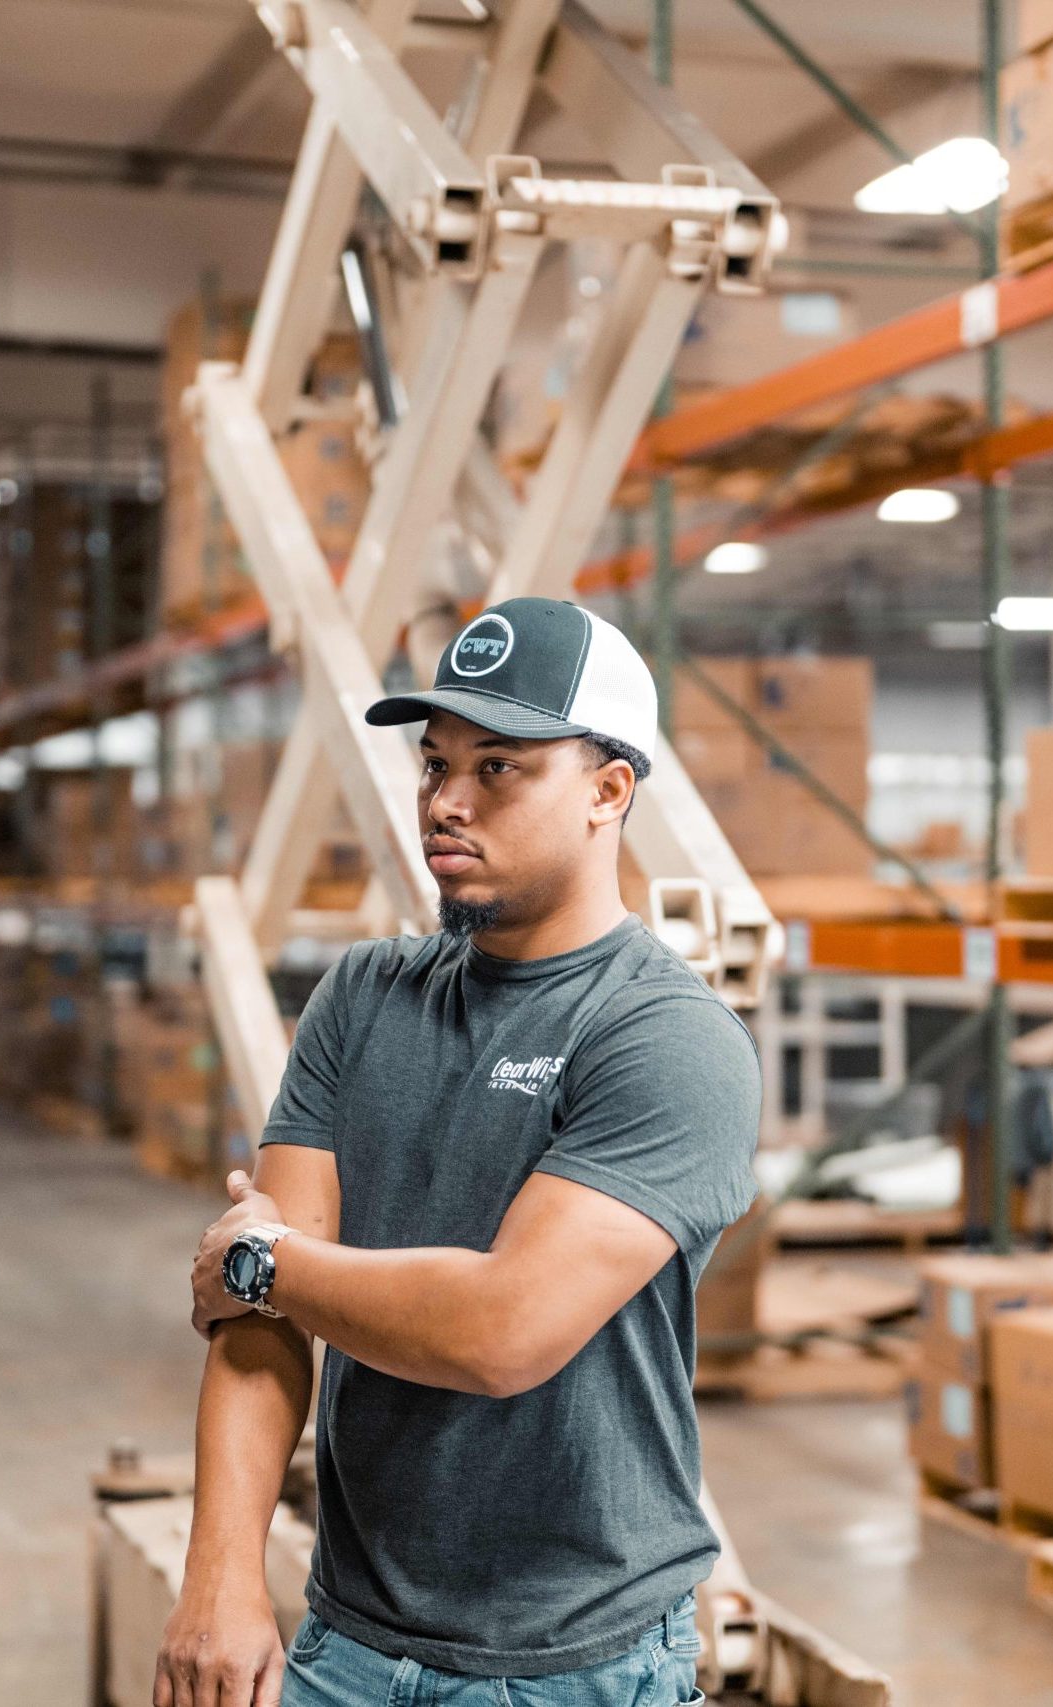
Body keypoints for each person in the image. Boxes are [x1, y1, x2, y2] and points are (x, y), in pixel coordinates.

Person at [156, 596, 762, 1707]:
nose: (445, 800)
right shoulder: (363, 996)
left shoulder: (667, 1038)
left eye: (498, 768)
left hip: (574, 1666)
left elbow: (501, 1329)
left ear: (607, 791)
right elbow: (262, 1328)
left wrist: (262, 1259)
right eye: (436, 763)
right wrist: (223, 1576)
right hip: (345, 1640)